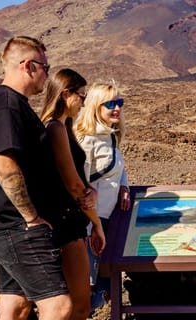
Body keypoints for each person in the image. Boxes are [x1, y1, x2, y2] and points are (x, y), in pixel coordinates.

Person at [0, 36, 69, 320]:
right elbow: (3, 164)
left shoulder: (8, 102)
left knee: (15, 307)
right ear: (28, 65)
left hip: (4, 223)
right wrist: (30, 217)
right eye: (45, 67)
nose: (47, 74)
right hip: (16, 225)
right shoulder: (6, 104)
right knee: (59, 306)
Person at [39, 68, 106, 320]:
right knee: (79, 307)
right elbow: (73, 184)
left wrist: (91, 191)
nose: (84, 102)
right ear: (65, 94)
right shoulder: (55, 128)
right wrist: (96, 222)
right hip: (66, 223)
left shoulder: (61, 127)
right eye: (81, 95)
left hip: (63, 221)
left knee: (67, 306)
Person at [74, 82, 132, 313]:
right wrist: (91, 192)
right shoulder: (87, 140)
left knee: (102, 282)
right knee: (86, 287)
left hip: (104, 219)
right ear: (95, 107)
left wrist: (124, 186)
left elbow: (117, 168)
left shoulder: (110, 136)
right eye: (110, 104)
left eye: (120, 102)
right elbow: (77, 183)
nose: (117, 108)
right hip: (89, 223)